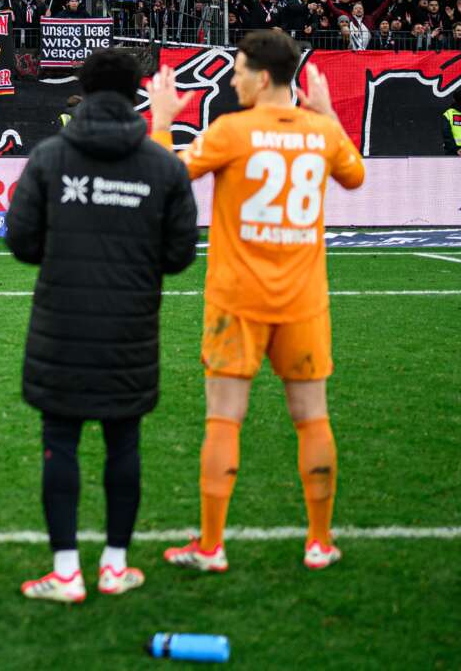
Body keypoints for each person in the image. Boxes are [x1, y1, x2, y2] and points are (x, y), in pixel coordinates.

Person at [146, 29, 366, 572]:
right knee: (313, 419)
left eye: (239, 70)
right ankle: (319, 541)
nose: (234, 78)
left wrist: (162, 118)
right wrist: (328, 115)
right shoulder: (319, 132)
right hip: (303, 301)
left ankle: (211, 546)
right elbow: (355, 176)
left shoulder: (232, 130)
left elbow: (165, 176)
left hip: (237, 299)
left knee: (225, 420)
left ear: (263, 77)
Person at [4, 48, 198, 602]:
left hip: (61, 326)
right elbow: (181, 253)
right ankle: (114, 566)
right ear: (136, 91)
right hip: (129, 327)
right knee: (124, 445)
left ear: (82, 90)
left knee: (59, 444)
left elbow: (20, 241)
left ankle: (66, 572)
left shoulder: (50, 157)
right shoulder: (161, 164)